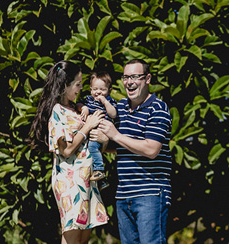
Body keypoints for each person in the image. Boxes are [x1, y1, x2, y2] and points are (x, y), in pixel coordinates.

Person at [27, 60, 111, 244]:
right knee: (72, 237)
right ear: (65, 86)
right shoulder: (58, 111)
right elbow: (66, 150)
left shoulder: (77, 109)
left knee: (82, 240)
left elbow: (89, 147)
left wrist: (103, 142)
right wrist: (87, 126)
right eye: (78, 84)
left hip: (87, 179)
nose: (81, 88)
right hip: (70, 181)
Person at [97, 59, 173, 244]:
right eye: (125, 77)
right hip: (124, 194)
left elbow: (151, 149)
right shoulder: (120, 108)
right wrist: (103, 143)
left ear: (147, 79)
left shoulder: (158, 108)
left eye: (134, 77)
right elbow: (122, 146)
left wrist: (115, 135)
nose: (129, 82)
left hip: (150, 193)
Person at [79, 71, 118, 182]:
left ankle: (99, 170)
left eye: (102, 90)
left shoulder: (110, 102)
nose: (98, 92)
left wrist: (105, 102)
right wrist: (84, 108)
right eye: (95, 89)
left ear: (109, 91)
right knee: (88, 155)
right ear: (91, 89)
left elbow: (113, 114)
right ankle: (101, 181)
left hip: (101, 132)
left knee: (92, 148)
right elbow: (78, 104)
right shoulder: (88, 100)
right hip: (91, 132)